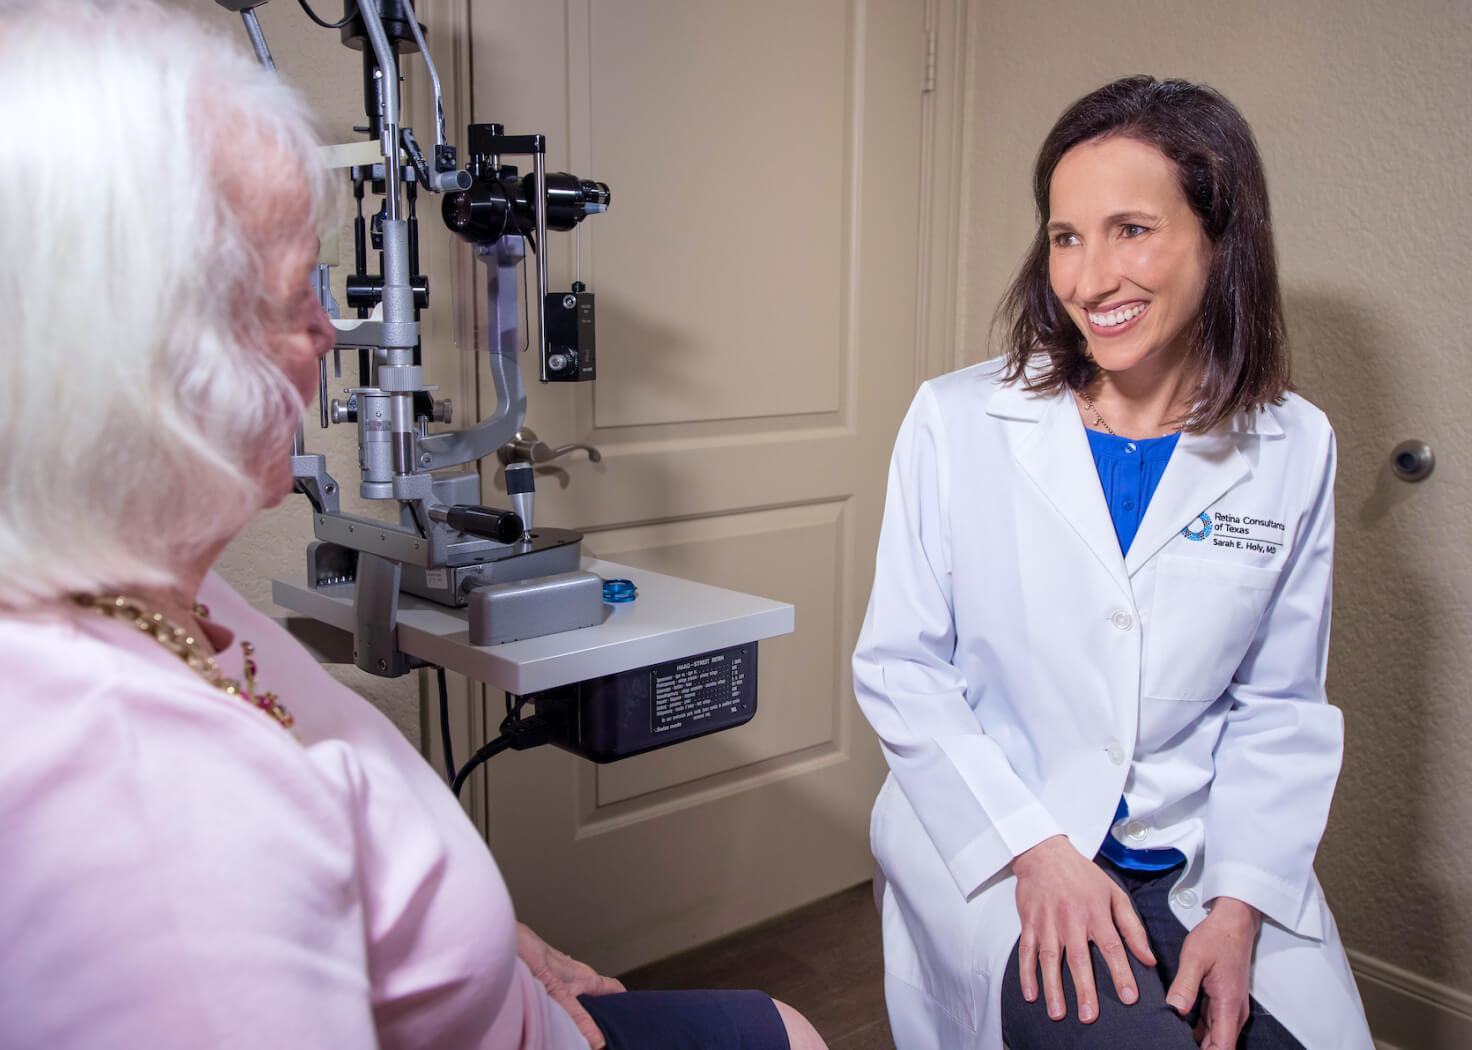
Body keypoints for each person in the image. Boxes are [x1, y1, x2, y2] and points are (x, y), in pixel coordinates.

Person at [0, 3, 825, 1048]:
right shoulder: (150, 824)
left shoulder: (137, 580)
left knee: (785, 1026)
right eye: (294, 288)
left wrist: (485, 940)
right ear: (140, 347)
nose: (326, 328)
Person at [852, 76, 1375, 1050]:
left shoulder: (1292, 445)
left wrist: (1240, 905)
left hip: (1196, 850)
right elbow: (900, 670)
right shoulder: (955, 421)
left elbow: (1279, 706)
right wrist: (1036, 853)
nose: (1088, 279)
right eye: (1064, 236)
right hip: (1012, 837)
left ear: (1220, 240)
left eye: (1129, 229)